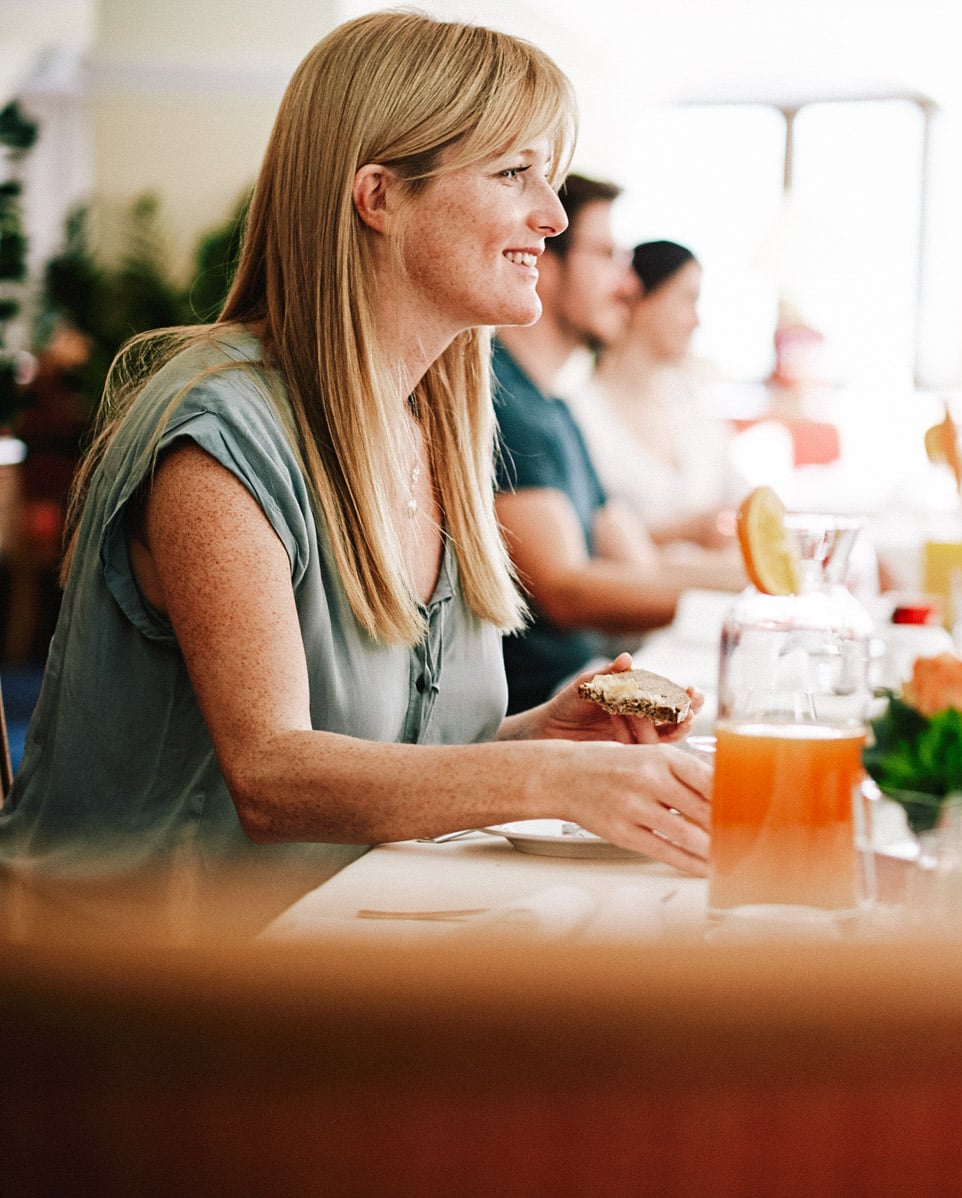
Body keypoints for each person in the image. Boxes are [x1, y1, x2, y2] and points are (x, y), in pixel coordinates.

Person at [0, 12, 711, 927]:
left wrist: (539, 733)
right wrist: (547, 777)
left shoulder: (432, 427)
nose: (555, 215)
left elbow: (380, 754)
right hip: (137, 997)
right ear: (378, 196)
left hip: (331, 947)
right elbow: (273, 776)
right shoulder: (217, 433)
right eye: (513, 173)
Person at [493, 182, 743, 713]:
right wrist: (734, 597)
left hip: (587, 685)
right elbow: (566, 590)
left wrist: (754, 582)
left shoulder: (554, 408)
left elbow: (629, 554)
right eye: (608, 256)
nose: (629, 286)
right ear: (545, 258)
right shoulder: (500, 399)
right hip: (540, 709)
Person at [569, 240, 747, 552]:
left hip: (712, 589)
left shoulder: (690, 399)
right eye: (687, 300)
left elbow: (742, 496)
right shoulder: (578, 408)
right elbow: (584, 543)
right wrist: (686, 530)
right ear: (639, 300)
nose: (697, 320)